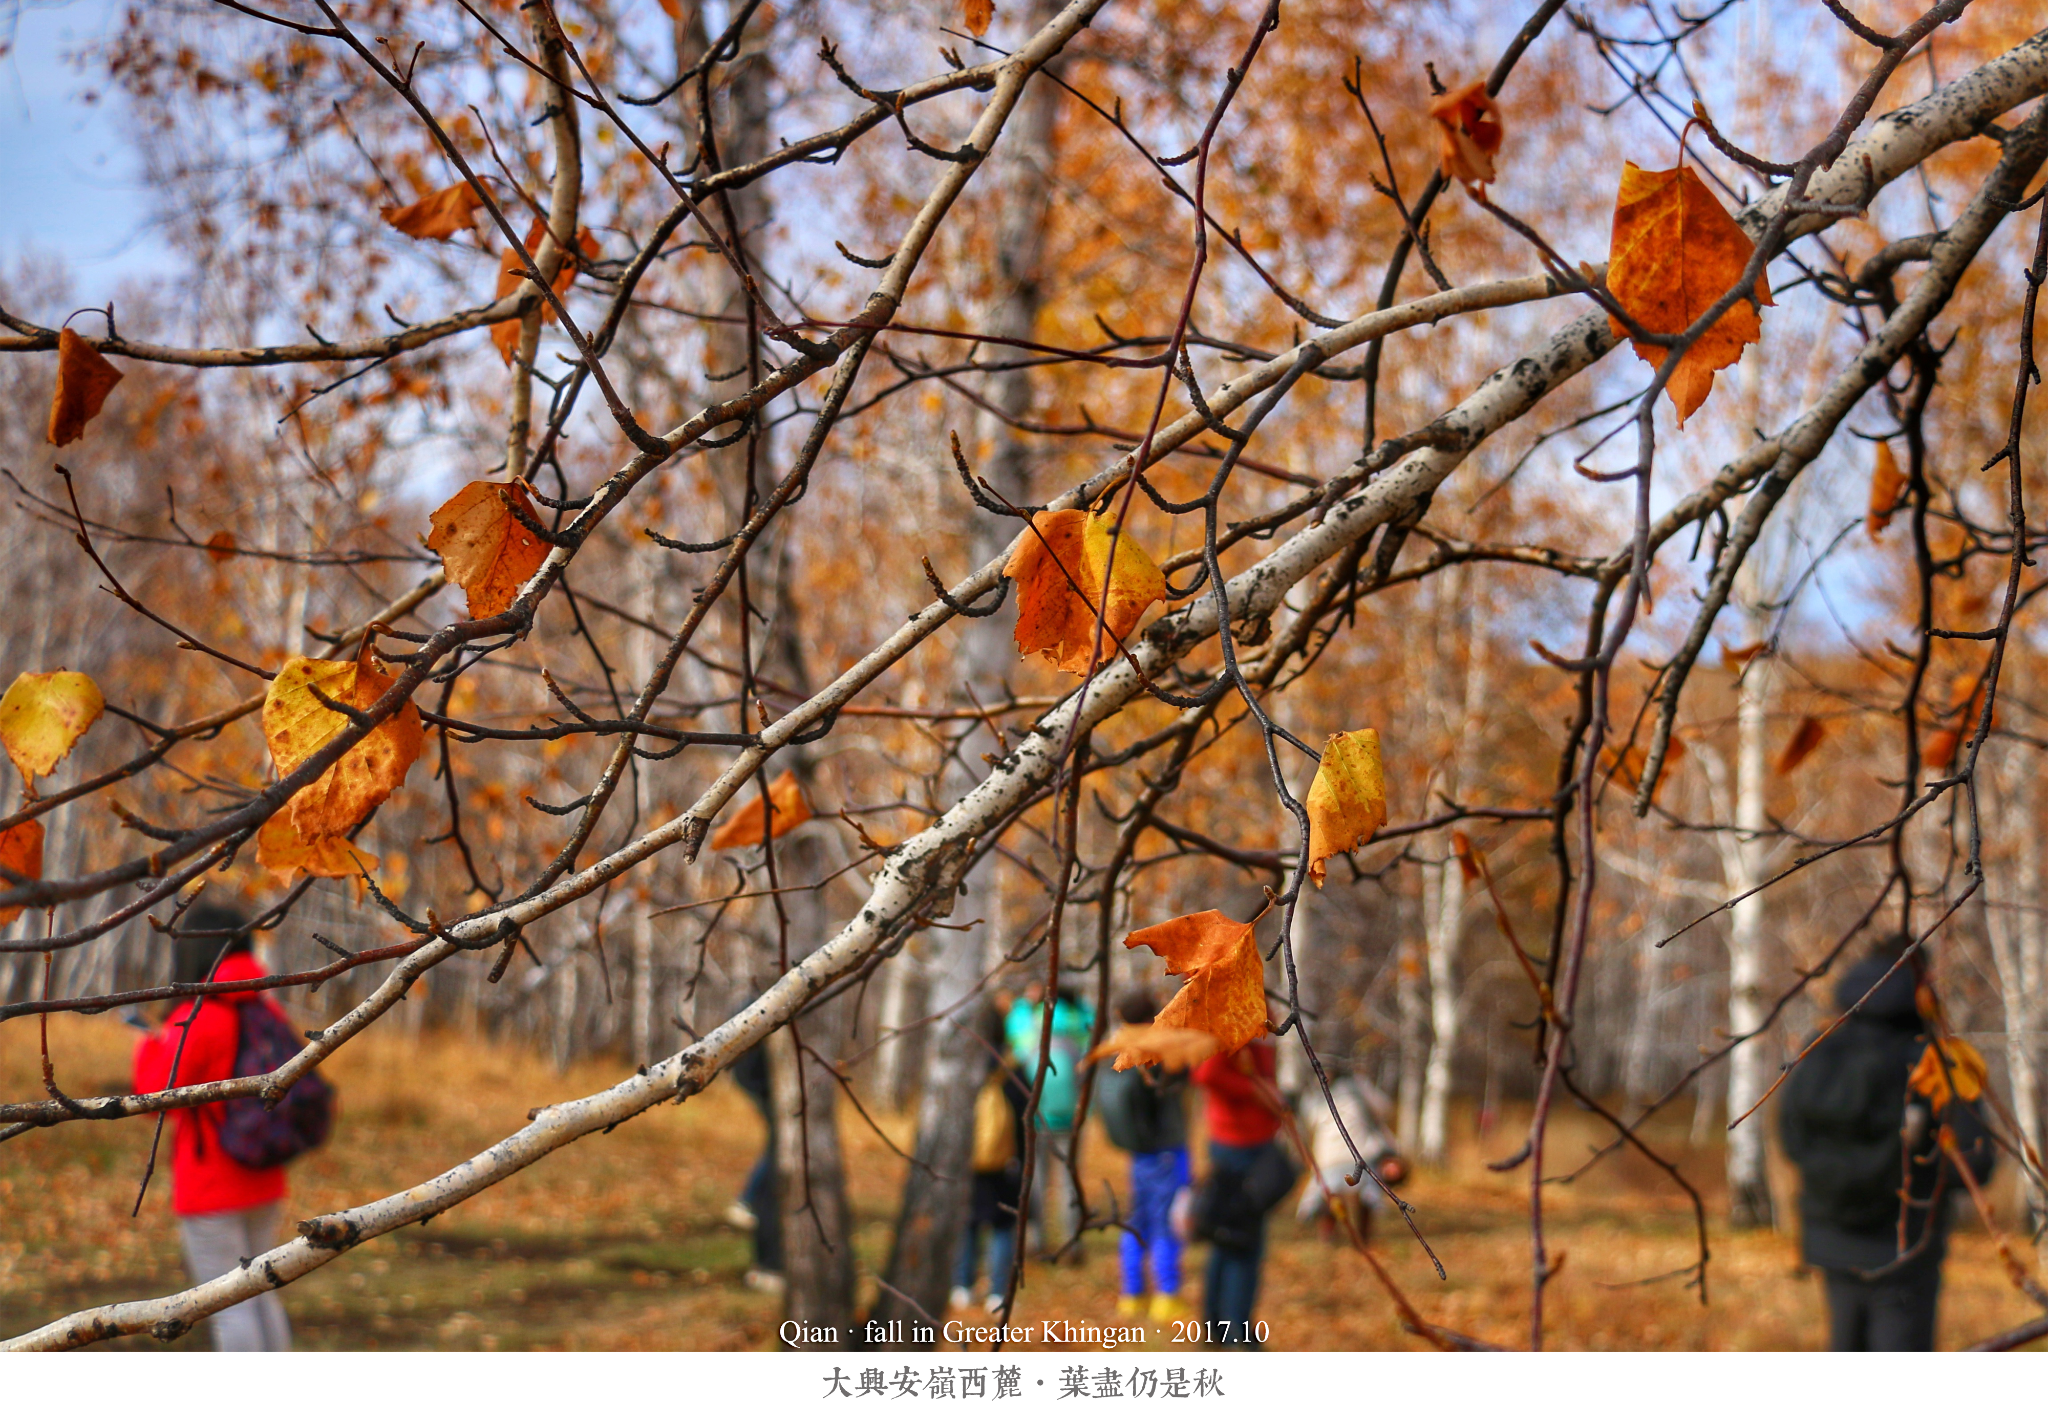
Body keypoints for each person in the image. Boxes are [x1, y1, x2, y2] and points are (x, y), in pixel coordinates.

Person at [1778, 934, 1995, 1350]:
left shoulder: (1820, 1046)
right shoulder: (1938, 1060)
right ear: (1925, 981)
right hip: (1906, 1247)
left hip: (1832, 1239)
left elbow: (1791, 1139)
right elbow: (1977, 1161)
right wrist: (1916, 1170)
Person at [131, 905, 303, 1351]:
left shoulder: (198, 1016)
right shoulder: (264, 1004)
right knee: (262, 1294)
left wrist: (147, 1045)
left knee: (229, 1307)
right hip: (263, 1171)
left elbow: (153, 1096)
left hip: (210, 1182)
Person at [1094, 989, 1191, 1320]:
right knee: (1167, 1222)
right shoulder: (1158, 1049)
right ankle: (1166, 1295)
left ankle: (1131, 1293)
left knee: (1139, 1220)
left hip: (1139, 1152)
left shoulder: (1115, 1048)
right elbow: (1185, 1075)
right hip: (1165, 1148)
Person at [1190, 1038, 1291, 1348]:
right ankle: (1238, 1334)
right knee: (1242, 1242)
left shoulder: (1256, 1009)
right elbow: (1207, 1073)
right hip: (1240, 1144)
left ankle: (1217, 1327)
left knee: (1227, 1237)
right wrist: (1260, 1092)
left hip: (1246, 1139)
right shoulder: (1232, 1015)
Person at [1003, 982, 1094, 1255]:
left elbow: (1012, 1025)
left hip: (1036, 1116)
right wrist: (1077, 1001)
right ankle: (1073, 1241)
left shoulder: (1030, 1021)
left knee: (1035, 1178)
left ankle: (1034, 1239)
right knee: (1070, 1179)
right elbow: (1096, 1024)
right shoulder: (1079, 1022)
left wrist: (1024, 1001)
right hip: (1072, 1116)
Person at [951, 1013, 1028, 1313]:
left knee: (967, 1222)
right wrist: (1019, 1160)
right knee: (1003, 1226)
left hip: (967, 1161)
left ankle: (961, 1286)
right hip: (1004, 1163)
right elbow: (1025, 1115)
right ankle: (998, 1292)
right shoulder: (1014, 1069)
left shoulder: (961, 1069)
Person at [1294, 1073, 1405, 1244]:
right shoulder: (1358, 1086)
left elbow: (1308, 1120)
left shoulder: (1317, 1093)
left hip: (1328, 1158)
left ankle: (1328, 1235)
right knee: (1366, 1194)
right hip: (1360, 1155)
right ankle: (1363, 1236)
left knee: (1328, 1193)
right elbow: (1384, 1107)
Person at [726, 1041, 783, 1293]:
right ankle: (768, 1268)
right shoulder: (763, 1007)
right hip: (769, 1089)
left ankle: (768, 1268)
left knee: (777, 1156)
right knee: (777, 1162)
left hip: (768, 1087)